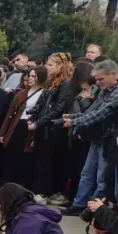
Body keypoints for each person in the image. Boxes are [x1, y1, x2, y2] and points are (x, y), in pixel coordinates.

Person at [63, 60, 118, 214]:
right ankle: (79, 204)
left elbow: (100, 114)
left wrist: (74, 121)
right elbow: (91, 110)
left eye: (100, 79)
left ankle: (93, 209)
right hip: (96, 139)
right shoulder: (103, 91)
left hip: (108, 140)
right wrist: (74, 116)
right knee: (86, 173)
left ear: (113, 75)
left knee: (101, 178)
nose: (97, 83)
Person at [30, 52, 75, 205]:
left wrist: (39, 122)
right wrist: (32, 113)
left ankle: (45, 192)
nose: (47, 68)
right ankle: (41, 190)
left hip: (54, 128)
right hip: (44, 127)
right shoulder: (50, 83)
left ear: (60, 66)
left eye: (50, 65)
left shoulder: (66, 84)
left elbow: (58, 109)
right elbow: (41, 103)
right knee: (41, 160)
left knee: (49, 161)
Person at [0, 66, 45, 189]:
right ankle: (6, 185)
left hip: (30, 127)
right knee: (11, 156)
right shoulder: (22, 93)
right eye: (30, 75)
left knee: (26, 158)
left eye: (34, 76)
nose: (30, 78)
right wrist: (3, 133)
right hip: (17, 125)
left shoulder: (45, 94)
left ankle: (21, 187)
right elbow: (10, 114)